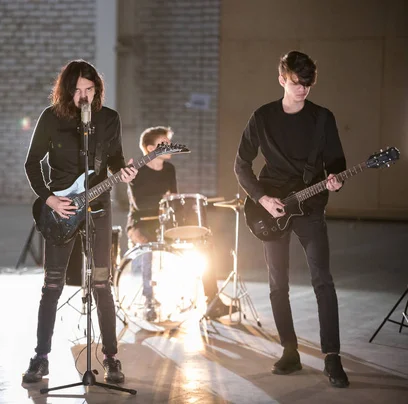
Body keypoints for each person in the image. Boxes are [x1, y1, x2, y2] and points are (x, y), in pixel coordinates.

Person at [234, 51, 349, 388]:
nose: (303, 90)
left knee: (323, 281)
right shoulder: (262, 117)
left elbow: (336, 161)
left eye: (308, 85)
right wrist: (261, 198)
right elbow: (241, 164)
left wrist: (337, 177)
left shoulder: (322, 118)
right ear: (282, 79)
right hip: (273, 207)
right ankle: (289, 350)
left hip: (310, 207)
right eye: (298, 84)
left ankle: (332, 356)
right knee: (277, 284)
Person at [23, 60, 137, 384]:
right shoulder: (51, 118)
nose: (84, 96)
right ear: (66, 90)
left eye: (90, 90)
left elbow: (114, 162)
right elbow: (32, 163)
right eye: (78, 91)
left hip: (99, 207)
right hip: (61, 208)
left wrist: (122, 173)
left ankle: (111, 358)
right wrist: (49, 198)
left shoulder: (109, 119)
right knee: (52, 285)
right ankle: (40, 357)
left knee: (102, 283)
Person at [126, 126, 235, 321]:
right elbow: (139, 204)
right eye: (164, 144)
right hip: (141, 223)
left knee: (205, 244)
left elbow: (174, 198)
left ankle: (212, 301)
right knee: (149, 246)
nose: (170, 146)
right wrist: (164, 198)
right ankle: (149, 301)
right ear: (150, 149)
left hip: (165, 223)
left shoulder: (169, 169)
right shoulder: (137, 171)